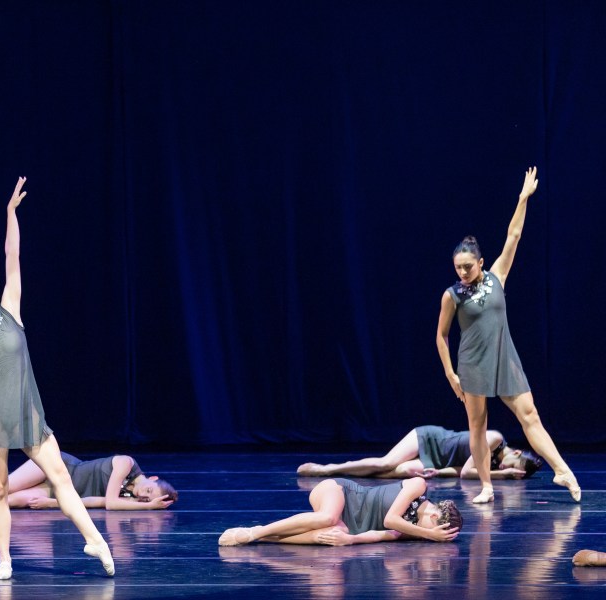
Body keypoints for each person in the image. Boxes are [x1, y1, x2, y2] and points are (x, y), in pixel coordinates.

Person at [0, 177, 114, 580]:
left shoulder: (10, 310)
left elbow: (13, 255)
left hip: (27, 413)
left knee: (60, 477)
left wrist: (10, 213)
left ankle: (95, 540)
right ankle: (5, 560)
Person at [436, 166, 579, 504]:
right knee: (478, 426)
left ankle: (562, 470)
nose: (463, 271)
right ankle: (486, 486)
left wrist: (523, 198)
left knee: (530, 415)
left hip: (504, 357)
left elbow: (513, 235)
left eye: (468, 266)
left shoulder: (497, 276)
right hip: (472, 364)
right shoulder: (452, 295)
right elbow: (441, 336)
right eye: (458, 267)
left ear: (481, 262)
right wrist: (451, 374)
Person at [218, 477, 462, 546]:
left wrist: (351, 540)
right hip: (342, 492)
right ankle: (256, 532)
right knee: (328, 517)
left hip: (350, 524)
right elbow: (390, 520)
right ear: (434, 516)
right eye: (437, 530)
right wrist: (430, 535)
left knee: (330, 534)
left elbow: (381, 534)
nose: (431, 536)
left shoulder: (413, 531)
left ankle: (267, 538)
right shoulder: (418, 486)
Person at [0, 452, 177, 510]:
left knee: (17, 500)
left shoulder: (127, 497)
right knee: (8, 484)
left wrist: (53, 503)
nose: (143, 495)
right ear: (152, 478)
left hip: (62, 490)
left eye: (146, 499)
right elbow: (109, 503)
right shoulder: (126, 463)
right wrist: (148, 508)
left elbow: (92, 502)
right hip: (61, 466)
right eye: (149, 490)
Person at [296, 426, 542, 479]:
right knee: (385, 463)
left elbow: (459, 469)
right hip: (430, 439)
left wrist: (438, 472)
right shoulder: (494, 439)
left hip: (439, 460)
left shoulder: (492, 466)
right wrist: (503, 475)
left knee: (407, 471)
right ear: (516, 453)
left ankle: (357, 472)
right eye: (512, 465)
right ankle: (328, 469)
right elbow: (468, 472)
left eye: (511, 471)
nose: (505, 468)